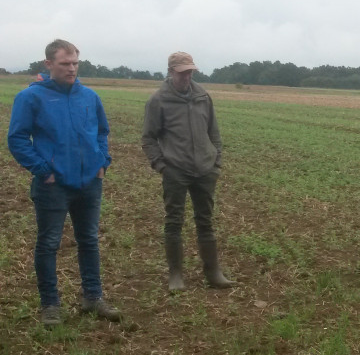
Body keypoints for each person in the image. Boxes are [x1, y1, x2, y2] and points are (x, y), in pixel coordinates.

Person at [7, 39, 120, 326]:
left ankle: (93, 297)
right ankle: (50, 305)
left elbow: (102, 132)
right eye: (65, 64)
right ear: (48, 64)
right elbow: (17, 139)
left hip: (89, 182)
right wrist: (45, 171)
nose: (71, 69)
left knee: (89, 241)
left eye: (75, 63)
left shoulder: (89, 97)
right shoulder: (31, 98)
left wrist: (101, 163)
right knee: (48, 244)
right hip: (53, 185)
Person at [141, 51, 233, 291]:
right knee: (174, 222)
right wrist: (161, 166)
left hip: (205, 169)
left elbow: (214, 132)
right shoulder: (158, 100)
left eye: (190, 71)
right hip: (176, 170)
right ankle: (176, 275)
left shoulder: (203, 96)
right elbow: (148, 139)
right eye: (182, 72)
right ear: (171, 72)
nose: (187, 76)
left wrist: (216, 162)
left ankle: (213, 273)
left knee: (205, 221)